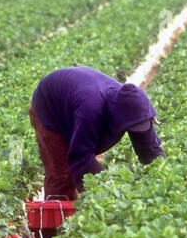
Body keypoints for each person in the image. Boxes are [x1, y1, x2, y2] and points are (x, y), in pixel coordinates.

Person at [29, 67, 164, 198]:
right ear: (119, 118)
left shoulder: (136, 107)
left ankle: (73, 213)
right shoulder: (91, 110)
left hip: (75, 100)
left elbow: (150, 150)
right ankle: (56, 218)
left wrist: (161, 176)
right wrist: (103, 190)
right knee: (63, 175)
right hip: (50, 107)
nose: (137, 129)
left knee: (80, 173)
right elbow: (80, 157)